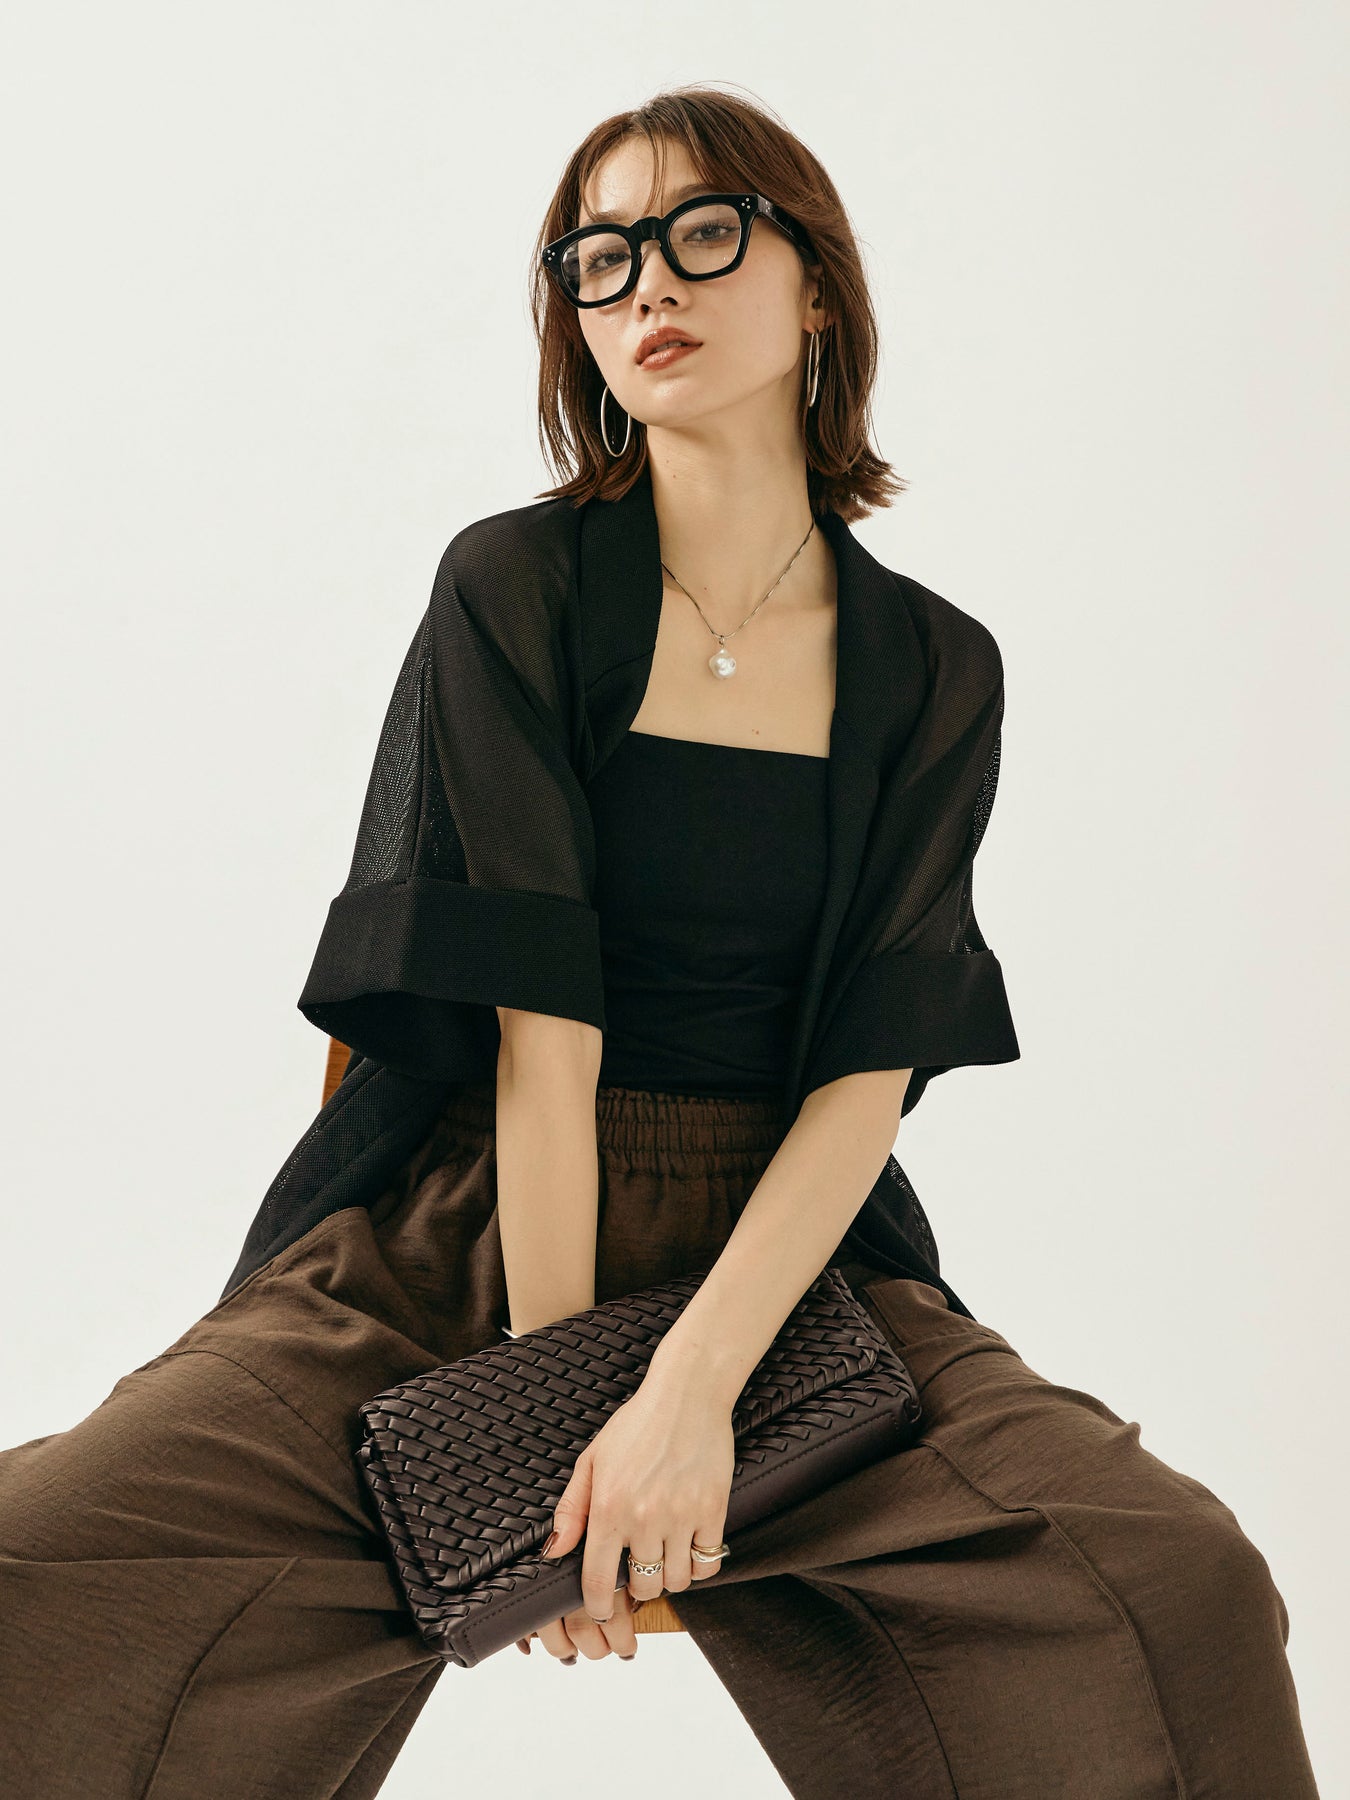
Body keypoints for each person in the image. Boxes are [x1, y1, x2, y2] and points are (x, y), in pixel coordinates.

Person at [0, 82, 1320, 1800]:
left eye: (703, 233)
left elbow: (864, 1080)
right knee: (37, 1565)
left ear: (816, 285)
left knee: (1167, 1585)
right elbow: (540, 1040)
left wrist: (688, 1391)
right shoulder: (515, 585)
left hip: (786, 1275)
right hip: (455, 1241)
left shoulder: (934, 666)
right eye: (601, 257)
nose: (648, 288)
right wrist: (557, 1429)